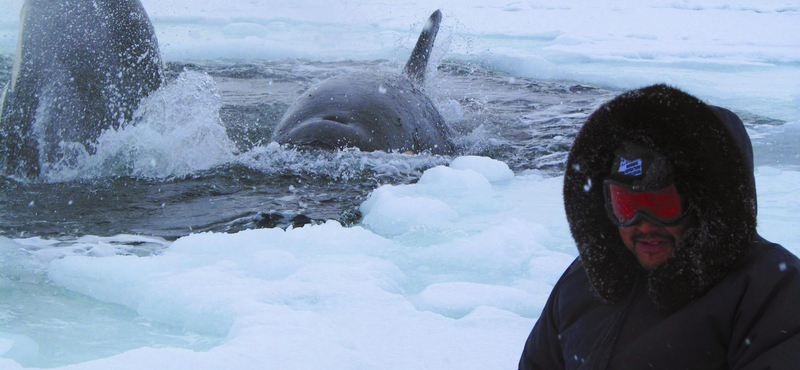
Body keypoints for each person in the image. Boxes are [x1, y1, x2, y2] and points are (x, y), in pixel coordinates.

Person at [518, 84, 800, 369]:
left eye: (663, 205)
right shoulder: (585, 280)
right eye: (625, 205)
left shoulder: (771, 288)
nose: (643, 225)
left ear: (708, 203)